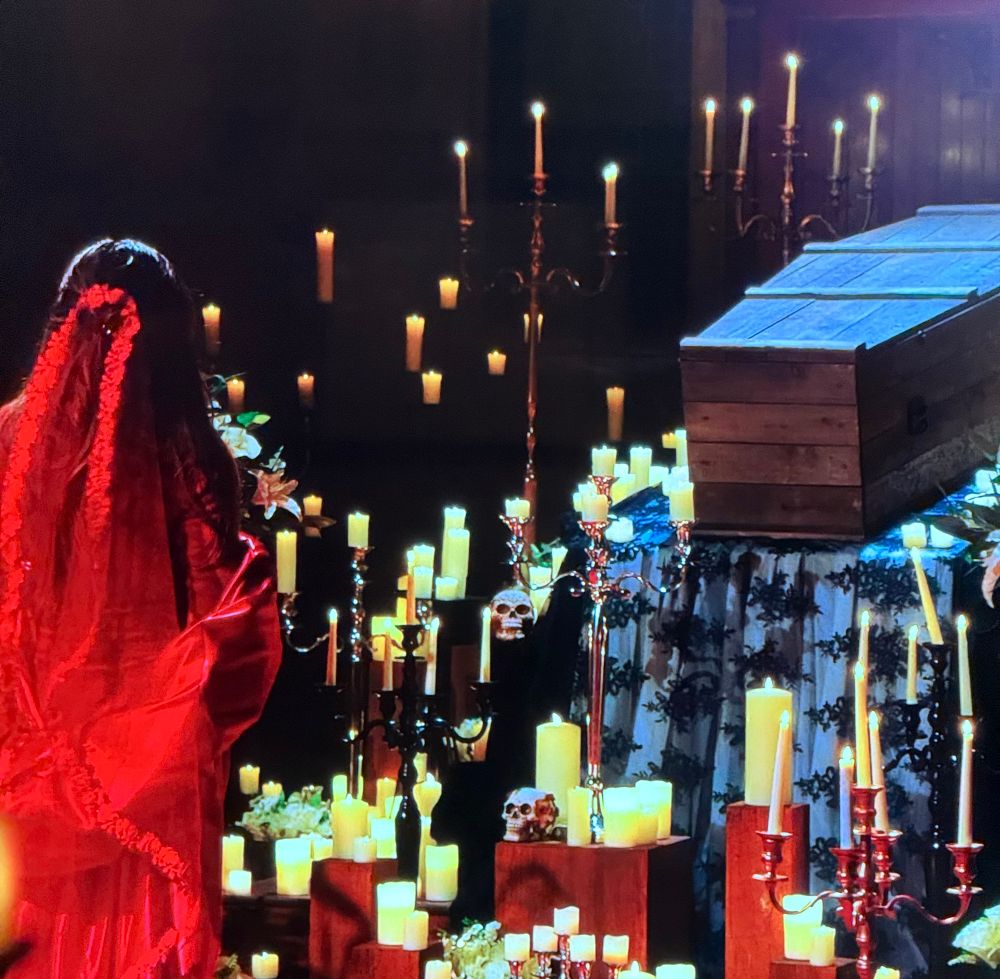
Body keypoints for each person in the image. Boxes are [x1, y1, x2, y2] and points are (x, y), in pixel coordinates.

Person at [0, 240, 282, 978]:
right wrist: (155, 722)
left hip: (26, 794)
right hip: (146, 806)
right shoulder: (193, 465)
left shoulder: (11, 446)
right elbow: (235, 644)